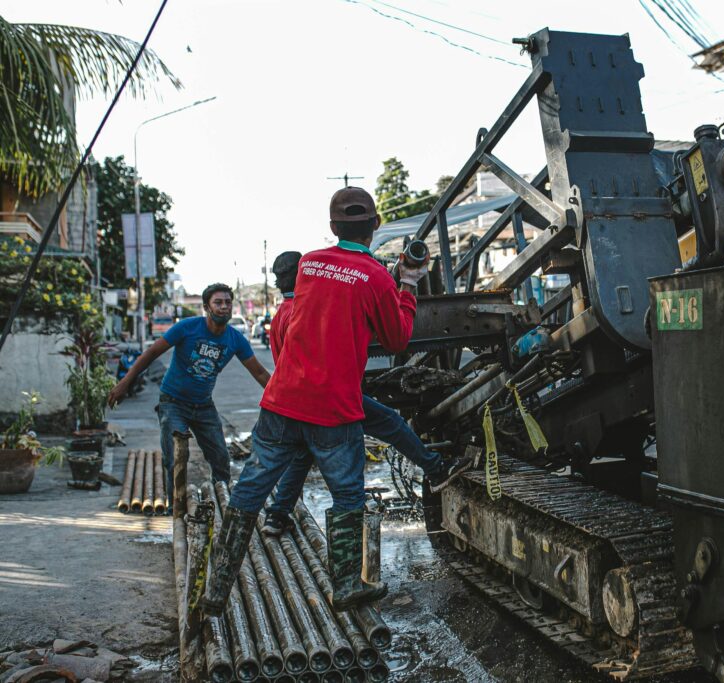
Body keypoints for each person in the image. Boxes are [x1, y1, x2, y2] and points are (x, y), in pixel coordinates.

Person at [201, 187, 427, 618]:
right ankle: (344, 586)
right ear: (375, 226)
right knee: (347, 496)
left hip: (281, 402)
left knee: (249, 491)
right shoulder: (378, 277)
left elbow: (327, 302)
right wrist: (408, 283)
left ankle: (217, 587)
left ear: (332, 227)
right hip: (333, 410)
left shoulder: (308, 264)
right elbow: (397, 339)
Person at [260, 249, 471, 537]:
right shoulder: (304, 309)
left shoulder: (282, 315)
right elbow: (384, 336)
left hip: (300, 400)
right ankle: (435, 469)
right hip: (331, 397)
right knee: (391, 425)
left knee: (302, 455)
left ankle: (276, 515)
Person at [108, 283, 272, 495]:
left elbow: (259, 372)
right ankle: (174, 506)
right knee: (176, 457)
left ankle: (220, 503)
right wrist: (125, 382)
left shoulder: (235, 339)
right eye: (218, 302)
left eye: (228, 303)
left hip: (204, 406)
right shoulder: (187, 328)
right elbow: (151, 353)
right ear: (206, 307)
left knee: (221, 459)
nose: (224, 307)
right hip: (173, 403)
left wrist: (282, 400)